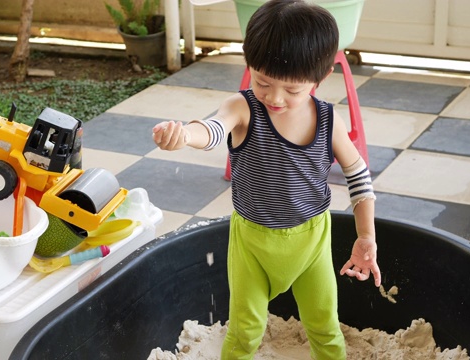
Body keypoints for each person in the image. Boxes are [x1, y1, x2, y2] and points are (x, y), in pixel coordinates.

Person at [152, 0, 381, 358]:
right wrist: (185, 135)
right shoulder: (242, 108)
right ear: (250, 67)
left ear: (321, 79)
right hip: (252, 244)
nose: (274, 97)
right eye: (263, 82)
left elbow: (358, 175)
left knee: (324, 325)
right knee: (245, 329)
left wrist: (366, 235)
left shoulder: (326, 120)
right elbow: (212, 129)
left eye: (292, 90)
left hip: (312, 241)